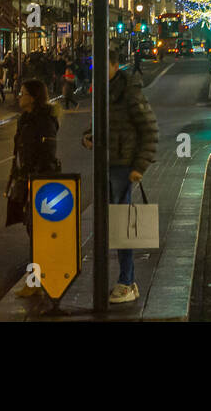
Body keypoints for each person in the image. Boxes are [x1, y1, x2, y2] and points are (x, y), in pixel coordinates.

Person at [83, 47, 158, 304]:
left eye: (102, 66)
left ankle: (126, 281)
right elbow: (103, 124)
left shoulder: (128, 93)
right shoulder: (106, 92)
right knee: (109, 223)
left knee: (121, 224)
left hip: (123, 167)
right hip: (108, 163)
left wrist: (139, 166)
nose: (96, 72)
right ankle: (126, 281)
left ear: (115, 65)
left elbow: (149, 129)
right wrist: (90, 136)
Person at [7, 78, 61, 297]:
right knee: (33, 230)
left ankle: (38, 279)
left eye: (23, 93)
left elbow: (48, 152)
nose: (19, 97)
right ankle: (38, 278)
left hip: (41, 181)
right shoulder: (26, 119)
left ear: (33, 97)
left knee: (39, 232)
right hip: (28, 179)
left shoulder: (44, 120)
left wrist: (35, 177)